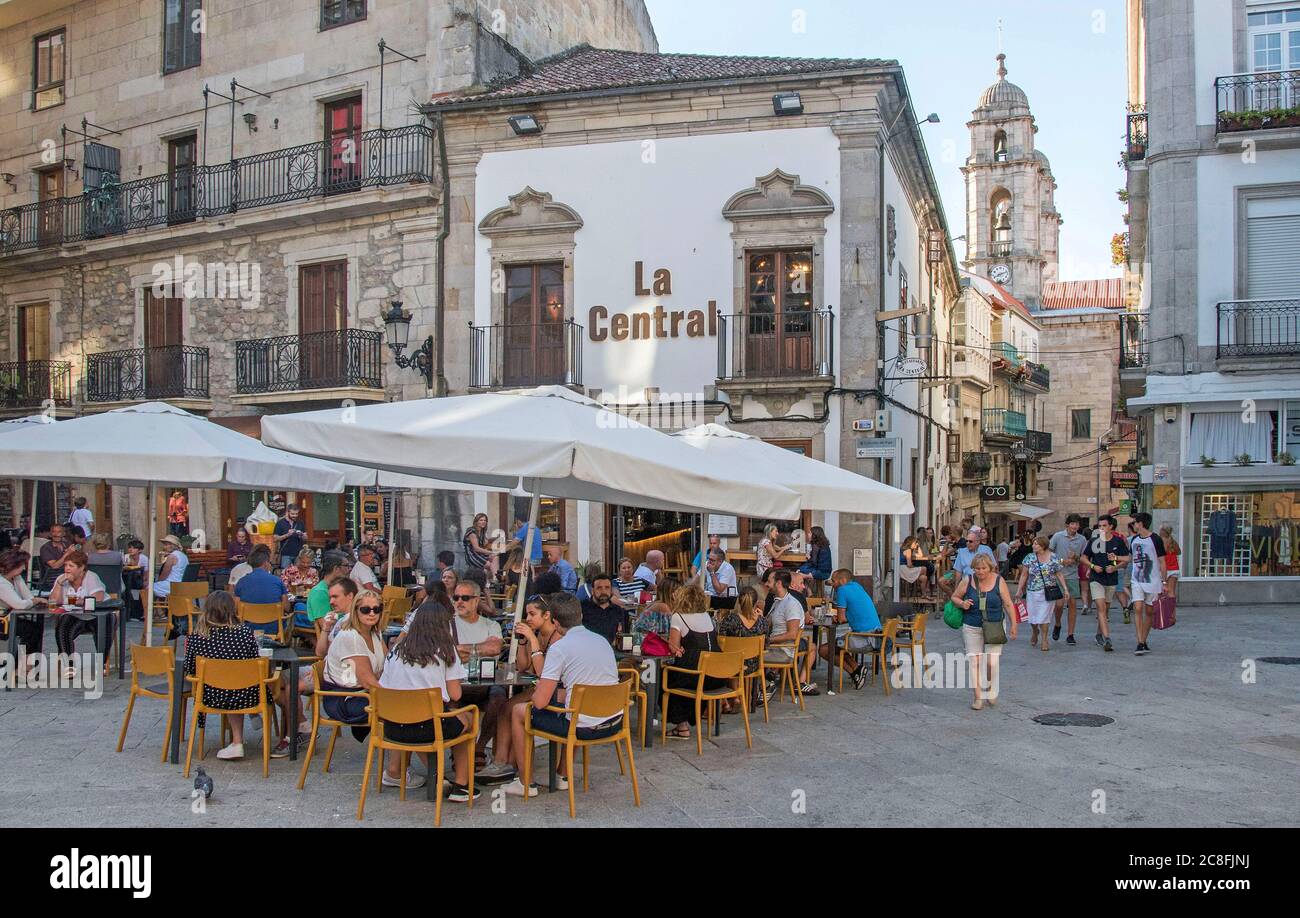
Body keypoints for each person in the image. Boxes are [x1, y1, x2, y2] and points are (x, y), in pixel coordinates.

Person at [502, 592, 620, 797]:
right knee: (572, 704)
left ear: (554, 621)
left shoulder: (560, 648)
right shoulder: (602, 641)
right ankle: (562, 775)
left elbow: (539, 702)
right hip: (614, 721)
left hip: (582, 727)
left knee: (520, 711)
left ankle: (525, 783)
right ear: (580, 616)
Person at [377, 602, 479, 800]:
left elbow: (384, 686)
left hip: (393, 729)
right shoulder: (445, 651)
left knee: (436, 717)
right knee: (468, 717)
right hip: (430, 728)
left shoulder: (396, 650)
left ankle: (440, 777)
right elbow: (456, 695)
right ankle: (462, 784)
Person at [486, 595, 563, 784]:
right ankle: (503, 761)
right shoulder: (537, 634)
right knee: (505, 707)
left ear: (546, 615)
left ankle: (504, 763)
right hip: (539, 687)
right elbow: (523, 666)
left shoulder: (557, 637)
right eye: (526, 614)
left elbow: (544, 673)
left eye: (532, 614)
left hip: (556, 691)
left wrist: (532, 640)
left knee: (510, 708)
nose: (528, 618)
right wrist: (522, 641)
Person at [184, 591, 267, 760]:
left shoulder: (196, 637)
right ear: (232, 610)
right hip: (245, 695)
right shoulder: (244, 633)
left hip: (209, 695)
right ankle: (239, 738)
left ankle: (237, 743)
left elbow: (190, 668)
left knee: (227, 682)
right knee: (238, 681)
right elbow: (253, 659)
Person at [448, 579, 508, 772]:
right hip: (456, 682)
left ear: (476, 601)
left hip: (485, 682)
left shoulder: (490, 625)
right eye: (456, 597)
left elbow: (495, 648)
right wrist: (481, 648)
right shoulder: (448, 624)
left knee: (499, 697)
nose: (459, 602)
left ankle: (480, 747)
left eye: (465, 598)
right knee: (450, 700)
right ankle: (459, 749)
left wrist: (467, 650)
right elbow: (449, 653)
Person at [951, 553, 1017, 710]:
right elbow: (954, 597)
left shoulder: (999, 581)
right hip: (972, 625)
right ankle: (978, 697)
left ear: (991, 568)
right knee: (975, 662)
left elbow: (1008, 604)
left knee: (991, 663)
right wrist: (962, 603)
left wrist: (1014, 624)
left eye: (983, 568)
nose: (980, 571)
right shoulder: (968, 580)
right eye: (977, 568)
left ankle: (991, 689)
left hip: (994, 625)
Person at [322, 590, 387, 739]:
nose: (372, 613)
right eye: (365, 610)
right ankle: (400, 761)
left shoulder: (375, 633)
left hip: (363, 694)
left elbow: (388, 666)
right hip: (343, 698)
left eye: (376, 609)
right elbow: (368, 681)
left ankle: (402, 759)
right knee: (404, 710)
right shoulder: (350, 636)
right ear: (355, 610)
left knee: (409, 710)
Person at [664, 582, 724, 739]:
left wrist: (678, 648)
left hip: (695, 674)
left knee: (666, 677)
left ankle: (681, 725)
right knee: (680, 678)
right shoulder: (707, 616)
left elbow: (673, 648)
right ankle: (690, 718)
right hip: (717, 674)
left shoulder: (678, 617)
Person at [818, 569, 879, 691]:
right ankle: (857, 669)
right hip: (876, 635)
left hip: (865, 638)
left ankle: (854, 672)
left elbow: (841, 619)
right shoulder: (857, 586)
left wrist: (837, 618)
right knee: (837, 645)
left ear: (843, 580)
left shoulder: (842, 590)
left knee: (824, 649)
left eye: (834, 581)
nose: (832, 584)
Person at [1083, 515, 1129, 653]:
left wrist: (1115, 567)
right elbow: (1083, 557)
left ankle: (1099, 634)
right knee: (1101, 607)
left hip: (1111, 578)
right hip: (1096, 578)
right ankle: (1107, 638)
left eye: (1104, 526)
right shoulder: (1093, 541)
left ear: (1111, 527)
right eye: (1099, 526)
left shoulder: (1118, 541)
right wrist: (1092, 566)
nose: (1101, 528)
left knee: (1105, 609)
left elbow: (1127, 559)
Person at [716, 586, 770, 703]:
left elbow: (720, 644)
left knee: (727, 660)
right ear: (756, 603)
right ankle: (743, 697)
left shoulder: (730, 620)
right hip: (753, 666)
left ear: (739, 602)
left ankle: (734, 698)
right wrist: (762, 617)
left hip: (732, 666)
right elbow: (766, 645)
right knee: (738, 660)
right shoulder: (762, 622)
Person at [1015, 536, 1068, 652]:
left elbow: (1059, 574)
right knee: (1033, 616)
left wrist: (1065, 589)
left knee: (1044, 616)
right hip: (1032, 591)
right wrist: (1019, 590)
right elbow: (1024, 575)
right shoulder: (1029, 558)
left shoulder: (1053, 557)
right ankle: (1035, 631)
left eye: (1036, 544)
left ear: (1043, 546)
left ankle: (1044, 639)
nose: (1033, 546)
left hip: (1048, 591)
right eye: (1033, 544)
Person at [764, 569, 812, 695]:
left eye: (769, 581)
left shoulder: (791, 604)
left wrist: (768, 640)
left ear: (778, 583)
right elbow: (766, 624)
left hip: (783, 651)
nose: (766, 584)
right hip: (774, 647)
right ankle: (763, 687)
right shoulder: (777, 601)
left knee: (748, 658)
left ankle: (763, 689)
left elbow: (792, 634)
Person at [1128, 513, 1167, 657]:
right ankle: (1139, 641)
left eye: (1135, 522)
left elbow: (1162, 561)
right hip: (1136, 579)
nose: (1133, 525)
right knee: (1138, 608)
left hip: (1153, 580)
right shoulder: (1134, 539)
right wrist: (1116, 560)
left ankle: (1143, 641)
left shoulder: (1155, 539)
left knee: (1149, 612)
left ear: (1141, 523)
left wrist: (1164, 582)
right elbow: (1130, 558)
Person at [233, 545, 291, 632]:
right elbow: (286, 607)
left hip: (248, 629)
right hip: (274, 629)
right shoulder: (277, 581)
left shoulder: (241, 582)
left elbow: (236, 607)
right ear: (265, 563)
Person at [1048, 514, 1087, 645]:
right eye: (1072, 523)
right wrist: (1061, 561)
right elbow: (1048, 553)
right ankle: (1058, 623)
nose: (1075, 526)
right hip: (1058, 575)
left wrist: (1075, 558)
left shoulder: (1082, 539)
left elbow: (1084, 557)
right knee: (1059, 605)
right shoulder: (1057, 536)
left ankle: (1071, 634)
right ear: (1067, 524)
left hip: (1073, 576)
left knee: (1073, 605)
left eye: (1077, 524)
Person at [0, 549, 46, 656]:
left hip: (7, 618)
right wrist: (36, 600)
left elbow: (28, 597)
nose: (24, 568)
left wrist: (18, 578)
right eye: (22, 565)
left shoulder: (15, 577)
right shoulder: (2, 583)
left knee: (35, 628)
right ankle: (20, 665)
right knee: (31, 630)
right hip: (3, 620)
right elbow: (20, 604)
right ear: (13, 565)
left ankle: (26, 664)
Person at [301, 552, 350, 627]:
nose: (349, 569)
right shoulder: (319, 592)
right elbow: (326, 625)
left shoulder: (335, 588)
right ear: (336, 569)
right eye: (346, 566)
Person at [580, 572, 625, 645]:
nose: (603, 591)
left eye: (607, 588)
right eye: (599, 588)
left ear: (611, 591)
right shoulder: (582, 607)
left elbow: (621, 634)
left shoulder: (617, 610)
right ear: (592, 591)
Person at [152, 533, 189, 602]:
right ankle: (162, 610)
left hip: (173, 585)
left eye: (166, 545)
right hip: (182, 584)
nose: (164, 547)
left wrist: (157, 581)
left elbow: (164, 575)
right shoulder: (184, 556)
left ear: (172, 545)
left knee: (148, 588)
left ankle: (147, 611)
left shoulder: (171, 557)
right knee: (157, 586)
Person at [272, 505, 307, 570]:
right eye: (292, 514)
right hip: (286, 554)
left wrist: (302, 534)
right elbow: (275, 539)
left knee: (298, 574)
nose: (295, 515)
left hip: (299, 555)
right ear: (287, 512)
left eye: (296, 514)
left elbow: (305, 538)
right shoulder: (280, 523)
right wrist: (288, 534)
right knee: (285, 575)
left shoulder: (300, 523)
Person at [1159, 525, 1181, 601]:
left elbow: (1160, 554)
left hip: (1163, 569)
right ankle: (1172, 611)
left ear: (1162, 532)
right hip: (1174, 568)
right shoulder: (1173, 542)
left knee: (1161, 592)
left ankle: (1164, 611)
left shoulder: (1160, 541)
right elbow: (1179, 552)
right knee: (1171, 592)